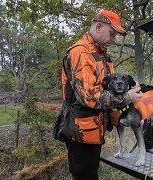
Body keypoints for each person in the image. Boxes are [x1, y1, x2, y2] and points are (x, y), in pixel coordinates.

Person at [60, 10, 143, 180]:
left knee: (91, 172)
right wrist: (128, 96)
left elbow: (109, 91)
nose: (114, 39)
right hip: (80, 131)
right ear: (98, 27)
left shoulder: (101, 54)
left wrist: (132, 104)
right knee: (84, 175)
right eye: (112, 34)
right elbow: (90, 97)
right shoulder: (81, 53)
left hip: (95, 129)